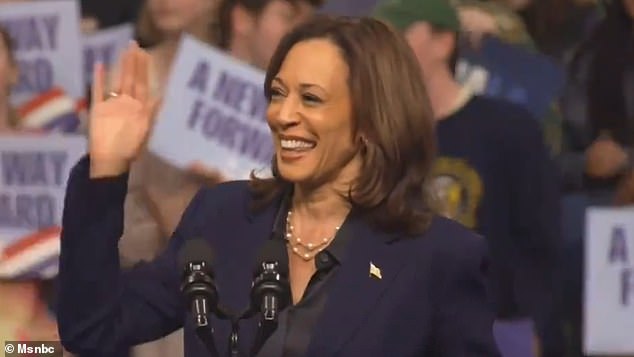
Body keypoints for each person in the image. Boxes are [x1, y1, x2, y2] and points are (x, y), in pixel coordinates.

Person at [57, 16, 500, 357]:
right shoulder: (221, 218)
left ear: (371, 119)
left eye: (310, 98)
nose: (281, 115)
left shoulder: (438, 258)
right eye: (277, 92)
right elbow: (93, 328)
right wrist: (107, 170)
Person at [373, 0, 564, 356]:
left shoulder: (508, 129)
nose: (385, 53)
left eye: (399, 36)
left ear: (443, 42)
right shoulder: (380, 140)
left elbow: (540, 244)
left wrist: (533, 330)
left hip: (497, 330)